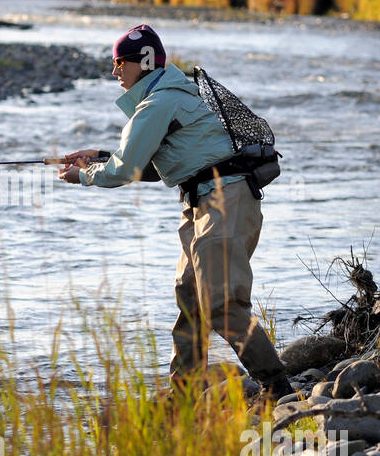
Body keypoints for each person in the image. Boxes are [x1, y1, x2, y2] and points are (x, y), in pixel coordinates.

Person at [58, 24, 295, 405]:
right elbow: (158, 166)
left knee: (221, 304)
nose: (114, 71)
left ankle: (279, 389)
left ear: (145, 62)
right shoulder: (165, 98)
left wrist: (85, 174)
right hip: (206, 200)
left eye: (120, 62)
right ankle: (183, 395)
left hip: (223, 200)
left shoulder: (158, 103)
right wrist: (99, 156)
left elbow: (126, 170)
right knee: (190, 299)